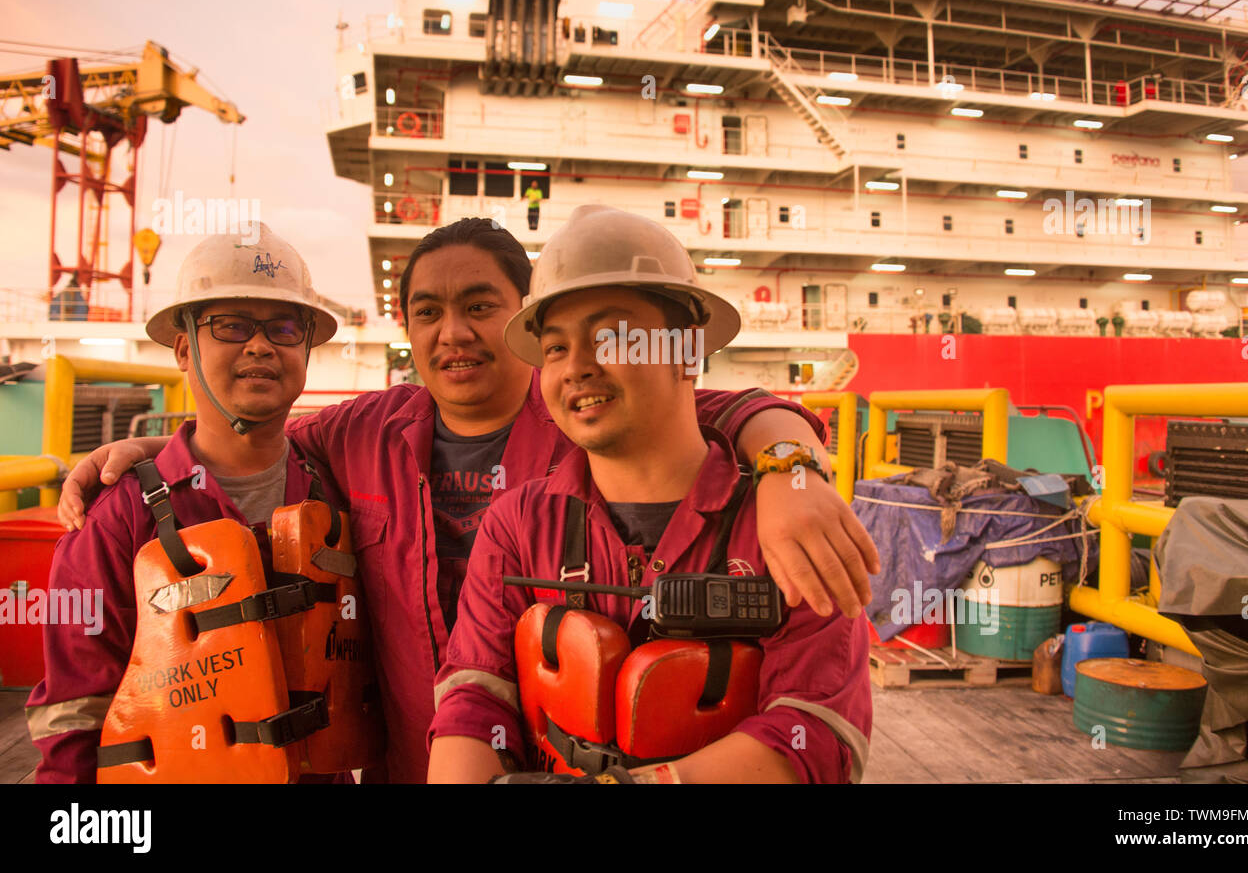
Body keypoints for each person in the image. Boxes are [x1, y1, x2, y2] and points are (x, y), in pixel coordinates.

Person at [59, 216, 879, 783]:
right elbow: (246, 437)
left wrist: (787, 464)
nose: (452, 332)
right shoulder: (355, 437)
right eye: (427, 312)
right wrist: (142, 459)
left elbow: (687, 411)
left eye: (481, 306)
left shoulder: (587, 426)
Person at [428, 205, 871, 782]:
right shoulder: (517, 524)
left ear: (687, 353)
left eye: (611, 337)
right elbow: (475, 695)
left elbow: (813, 731)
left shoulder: (790, 526)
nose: (575, 368)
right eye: (556, 348)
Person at [28, 226, 367, 782]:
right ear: (184, 348)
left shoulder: (337, 491)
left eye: (284, 328)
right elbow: (73, 715)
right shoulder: (119, 518)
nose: (260, 346)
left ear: (306, 349)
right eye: (231, 325)